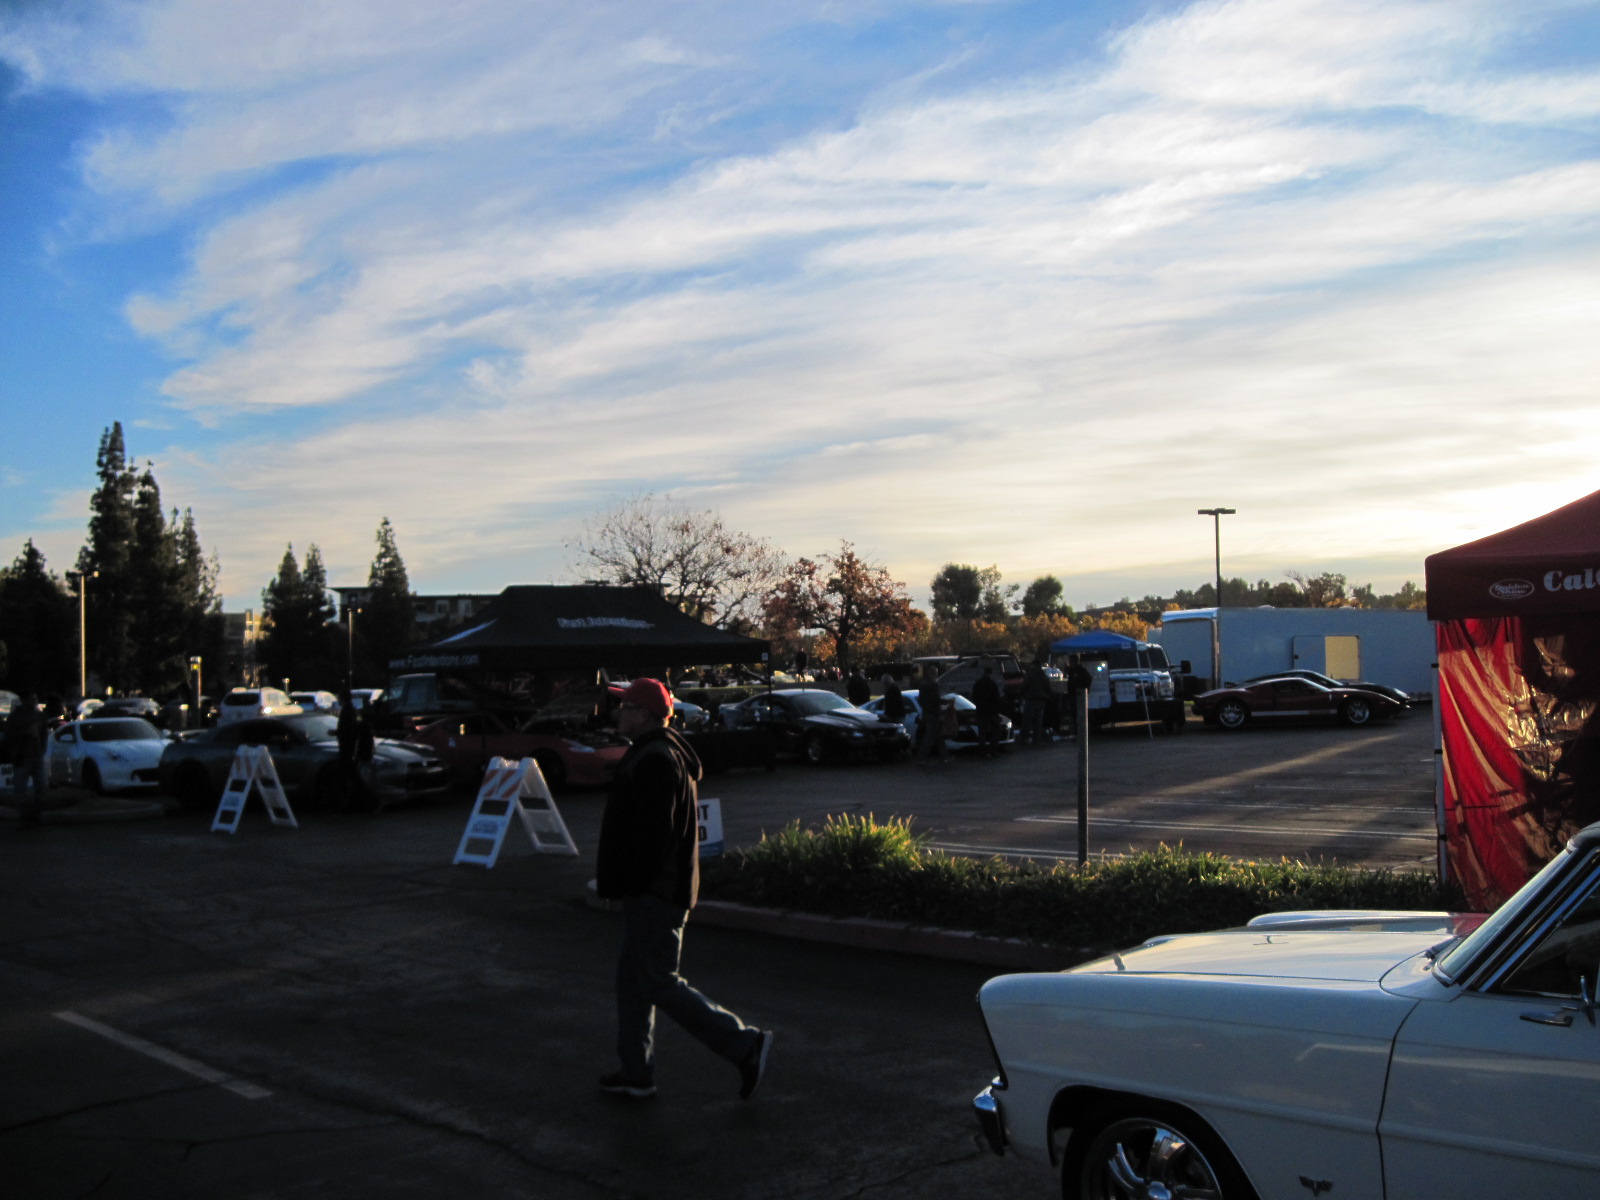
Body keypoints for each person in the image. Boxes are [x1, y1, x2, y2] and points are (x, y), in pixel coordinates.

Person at [596, 677, 771, 1101]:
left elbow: (655, 838)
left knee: (657, 981)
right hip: (655, 891)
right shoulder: (659, 754)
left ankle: (744, 1044)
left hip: (655, 894)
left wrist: (630, 884)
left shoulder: (657, 760)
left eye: (626, 708)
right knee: (633, 981)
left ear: (645, 714)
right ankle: (636, 1072)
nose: (619, 714)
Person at [5, 693, 48, 828]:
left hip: (37, 756)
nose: (34, 701)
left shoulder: (40, 716)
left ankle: (36, 813)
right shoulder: (14, 717)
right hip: (21, 757)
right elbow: (9, 735)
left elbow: (44, 734)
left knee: (42, 786)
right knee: (20, 788)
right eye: (32, 699)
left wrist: (42, 750)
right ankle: (24, 815)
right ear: (24, 700)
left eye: (35, 699)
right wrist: (25, 733)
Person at [336, 689, 375, 808]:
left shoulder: (347, 711)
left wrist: (338, 733)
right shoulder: (351, 711)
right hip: (351, 748)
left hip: (348, 748)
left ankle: (356, 801)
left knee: (351, 776)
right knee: (353, 776)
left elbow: (347, 730)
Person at [915, 666, 949, 763]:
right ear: (935, 673)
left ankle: (945, 756)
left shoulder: (923, 684)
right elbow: (937, 699)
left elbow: (921, 700)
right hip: (934, 713)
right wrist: (946, 702)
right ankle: (921, 758)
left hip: (926, 713)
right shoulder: (934, 684)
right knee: (931, 738)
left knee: (936, 737)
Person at [972, 665, 1003, 757]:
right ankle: (993, 749)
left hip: (981, 710)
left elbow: (974, 696)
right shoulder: (992, 684)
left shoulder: (978, 683)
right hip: (991, 711)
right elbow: (996, 698)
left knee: (982, 732)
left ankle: (982, 751)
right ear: (991, 673)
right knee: (996, 730)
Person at [1021, 655, 1052, 745]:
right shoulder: (1043, 675)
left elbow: (1025, 686)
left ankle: (1024, 739)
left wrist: (1022, 694)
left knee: (1027, 720)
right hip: (1041, 700)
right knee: (1038, 721)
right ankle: (1036, 739)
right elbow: (1048, 687)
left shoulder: (1029, 674)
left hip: (1030, 699)